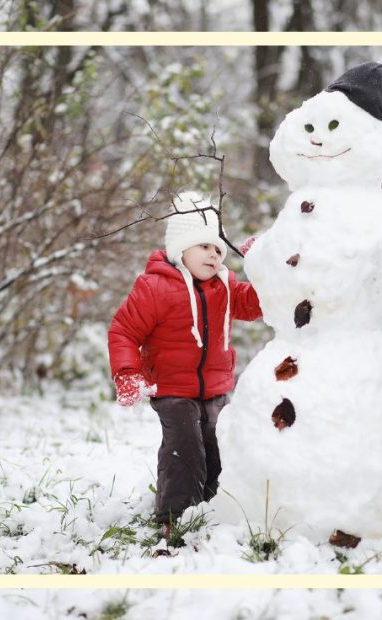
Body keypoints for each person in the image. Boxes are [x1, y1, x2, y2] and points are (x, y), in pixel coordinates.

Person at [108, 192, 263, 539]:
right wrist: (127, 373)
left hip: (215, 388)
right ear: (180, 249)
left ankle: (211, 506)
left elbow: (257, 304)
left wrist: (265, 265)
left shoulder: (226, 286)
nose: (213, 254)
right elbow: (123, 331)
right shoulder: (155, 287)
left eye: (218, 249)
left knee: (217, 444)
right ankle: (174, 515)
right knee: (186, 447)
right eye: (204, 246)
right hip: (171, 389)